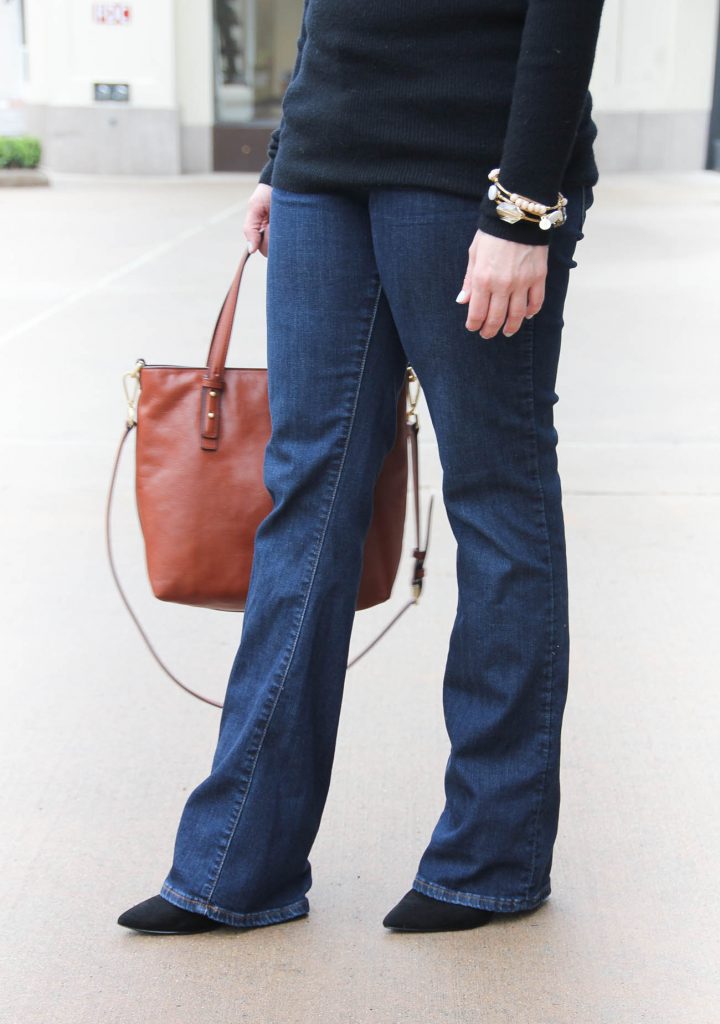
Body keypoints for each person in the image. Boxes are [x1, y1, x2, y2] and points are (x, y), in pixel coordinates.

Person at [118, 0, 605, 936]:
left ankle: (490, 858)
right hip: (324, 167)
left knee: (496, 494)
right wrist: (283, 155)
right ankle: (235, 867)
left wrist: (525, 205)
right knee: (305, 492)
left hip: (471, 175)